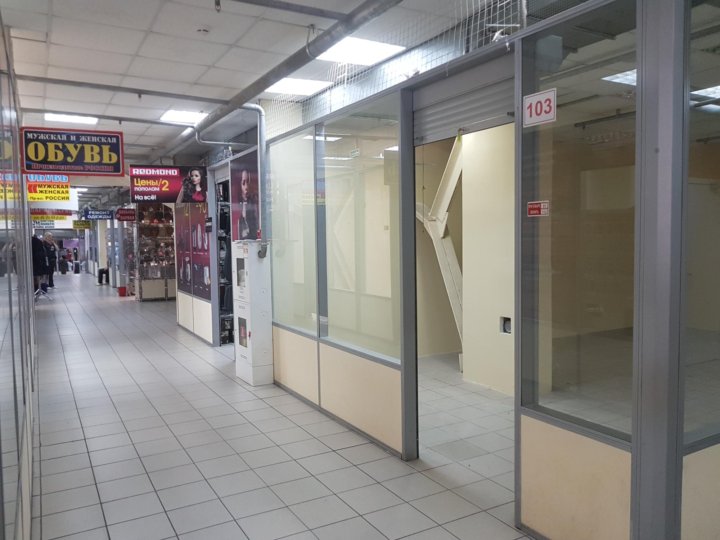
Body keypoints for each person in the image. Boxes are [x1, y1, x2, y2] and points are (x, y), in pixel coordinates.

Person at [237, 169, 258, 240]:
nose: (246, 187)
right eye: (243, 183)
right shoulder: (238, 205)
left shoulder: (255, 204)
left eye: (248, 183)